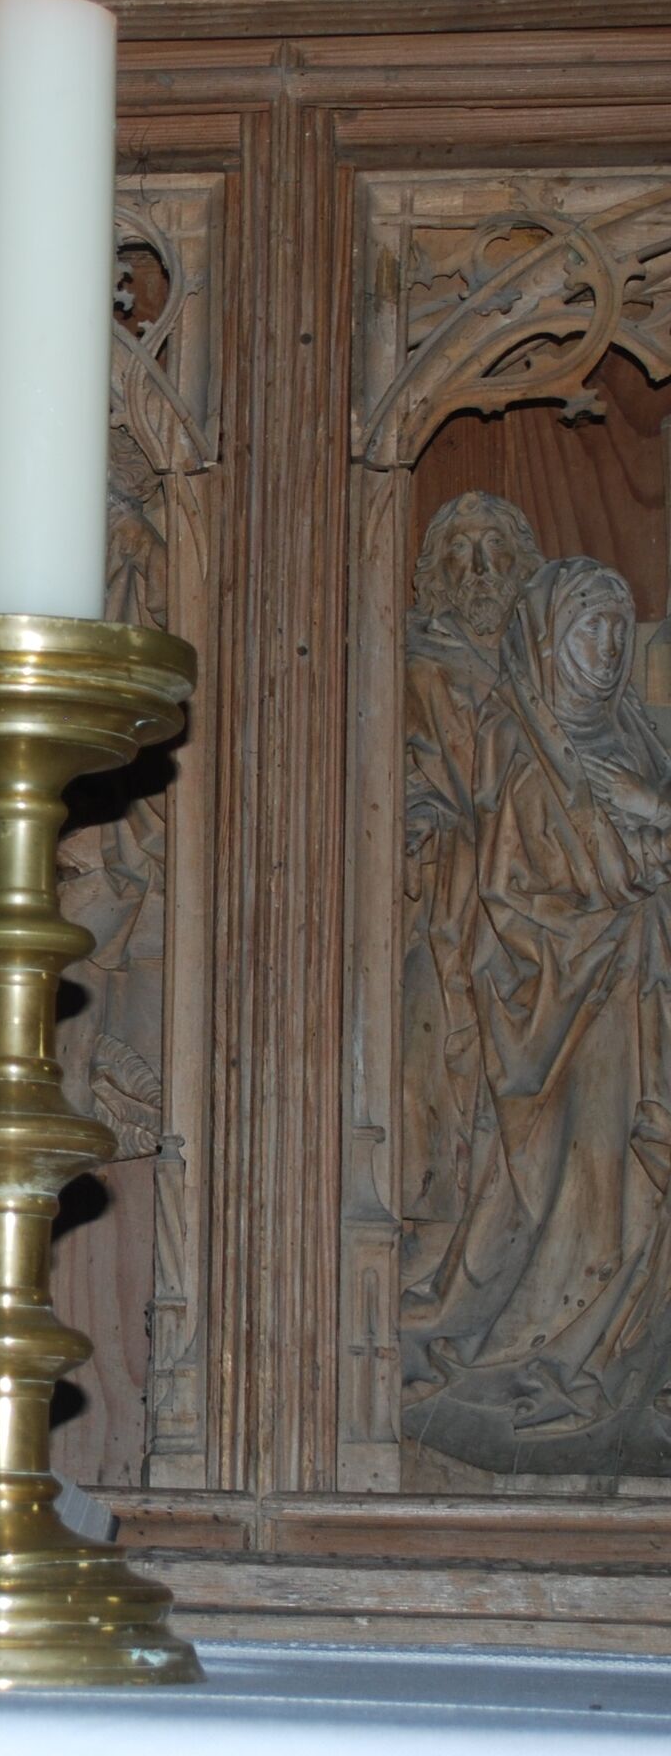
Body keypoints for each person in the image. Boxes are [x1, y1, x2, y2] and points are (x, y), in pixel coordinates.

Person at [404, 557, 671, 1472]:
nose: (608, 648)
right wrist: (639, 860)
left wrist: (650, 816)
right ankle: (550, 1355)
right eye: (588, 628)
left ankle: (617, 1364)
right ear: (549, 642)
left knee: (639, 1198)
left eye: (618, 628)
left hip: (643, 1005)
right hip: (568, 1015)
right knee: (582, 1187)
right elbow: (522, 895)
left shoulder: (638, 742)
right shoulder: (522, 745)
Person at [401, 492, 543, 1233]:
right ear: (436, 568)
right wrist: (421, 811)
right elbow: (395, 775)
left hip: (546, 892)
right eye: (461, 548)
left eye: (495, 546)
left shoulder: (551, 661)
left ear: (523, 563)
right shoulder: (416, 663)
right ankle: (446, 1220)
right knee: (437, 1048)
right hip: (452, 894)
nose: (481, 567)